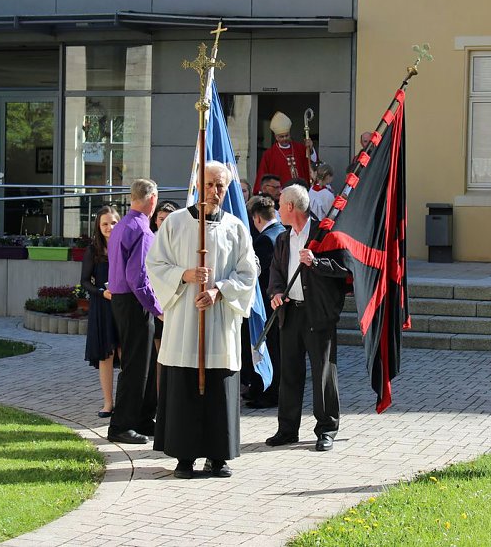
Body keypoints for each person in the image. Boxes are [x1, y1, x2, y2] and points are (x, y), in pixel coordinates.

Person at [147, 161, 257, 479]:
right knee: (184, 388)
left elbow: (248, 272)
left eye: (221, 185)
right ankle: (184, 457)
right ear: (198, 183)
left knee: (218, 388)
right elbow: (155, 263)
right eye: (209, 184)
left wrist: (219, 291)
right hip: (185, 322)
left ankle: (218, 457)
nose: (215, 190)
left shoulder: (236, 227)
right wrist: (185, 274)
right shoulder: (177, 223)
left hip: (219, 324)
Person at [265, 184, 349, 452]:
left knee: (323, 372)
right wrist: (276, 293)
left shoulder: (325, 234)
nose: (278, 210)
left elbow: (345, 271)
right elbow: (276, 272)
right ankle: (287, 429)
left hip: (318, 314)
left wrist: (316, 262)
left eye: (280, 205)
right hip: (290, 313)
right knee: (289, 373)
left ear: (290, 206)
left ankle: (326, 429)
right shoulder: (282, 238)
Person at [106, 179, 163, 445]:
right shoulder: (142, 229)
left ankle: (141, 418)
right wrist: (156, 307)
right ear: (152, 200)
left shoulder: (121, 226)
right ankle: (121, 425)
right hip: (134, 301)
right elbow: (138, 276)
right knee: (136, 365)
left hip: (122, 300)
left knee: (145, 362)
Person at [243, 195, 285, 408]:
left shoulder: (265, 240)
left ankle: (271, 393)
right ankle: (262, 389)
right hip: (279, 303)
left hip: (269, 304)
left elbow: (260, 277)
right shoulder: (282, 233)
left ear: (256, 218)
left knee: (271, 350)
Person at [82, 205, 121, 419]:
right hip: (102, 306)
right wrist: (101, 293)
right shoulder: (93, 250)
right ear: (98, 225)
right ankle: (108, 403)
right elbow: (84, 282)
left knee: (126, 353)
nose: (109, 227)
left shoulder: (126, 246)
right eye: (105, 223)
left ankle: (126, 402)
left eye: (113, 223)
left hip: (124, 307)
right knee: (106, 355)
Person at [149, 200, 181, 354]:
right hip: (155, 300)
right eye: (162, 219)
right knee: (158, 346)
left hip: (176, 299)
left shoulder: (182, 243)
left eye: (170, 219)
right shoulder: (149, 240)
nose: (165, 223)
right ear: (155, 220)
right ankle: (159, 379)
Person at [254, 111, 316, 189]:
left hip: (302, 192)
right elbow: (262, 176)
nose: (285, 139)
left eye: (286, 135)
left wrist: (311, 149)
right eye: (281, 136)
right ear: (276, 137)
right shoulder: (269, 154)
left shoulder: (299, 148)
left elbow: (312, 164)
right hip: (281, 194)